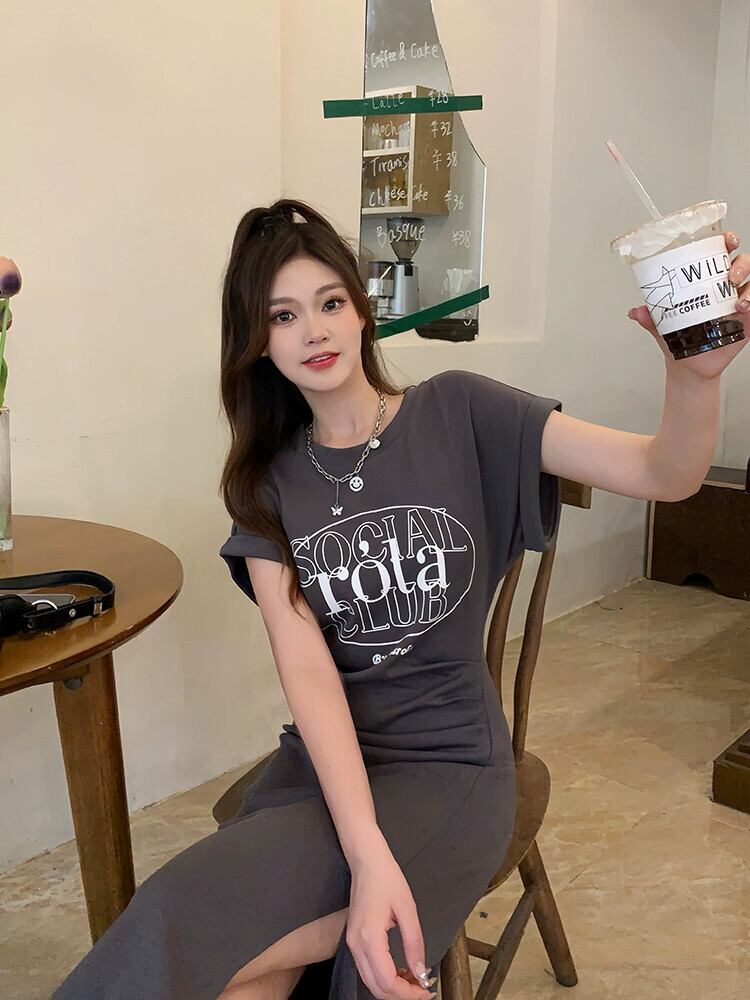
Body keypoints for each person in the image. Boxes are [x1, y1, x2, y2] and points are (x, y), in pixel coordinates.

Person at [52, 200, 749, 1000]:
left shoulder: (460, 410)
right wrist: (367, 854)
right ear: (257, 342)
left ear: (361, 309)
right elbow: (309, 677)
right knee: (179, 923)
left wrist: (693, 376)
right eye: (283, 315)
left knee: (280, 956)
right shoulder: (265, 485)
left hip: (451, 768)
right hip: (326, 772)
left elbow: (666, 472)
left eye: (329, 302)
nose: (313, 331)